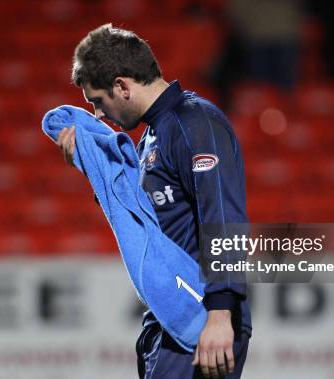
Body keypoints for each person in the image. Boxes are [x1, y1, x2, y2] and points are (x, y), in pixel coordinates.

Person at [55, 24, 252, 379]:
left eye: (98, 101)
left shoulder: (196, 123)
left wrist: (221, 314)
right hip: (169, 319)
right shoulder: (151, 138)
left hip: (200, 318)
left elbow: (223, 217)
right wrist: (93, 169)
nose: (99, 114)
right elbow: (145, 223)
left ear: (122, 86)